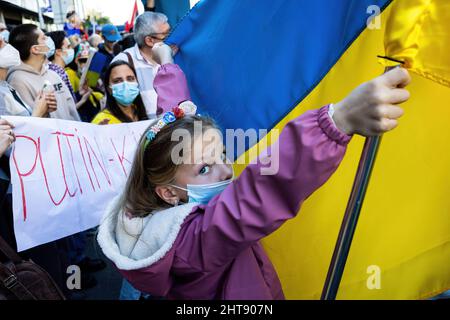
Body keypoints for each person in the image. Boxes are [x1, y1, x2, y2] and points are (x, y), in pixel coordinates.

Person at [97, 67, 411, 299]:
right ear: (167, 192)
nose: (225, 172)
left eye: (222, 154)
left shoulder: (163, 193)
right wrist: (335, 123)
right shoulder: (191, 244)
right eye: (205, 169)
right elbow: (255, 196)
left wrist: (167, 68)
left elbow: (174, 119)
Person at [6, 24, 81, 121]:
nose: (49, 40)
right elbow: (29, 122)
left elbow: (71, 110)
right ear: (36, 49)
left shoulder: (53, 75)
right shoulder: (17, 81)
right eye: (44, 38)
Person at [112, 12, 171, 118]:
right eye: (166, 35)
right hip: (141, 132)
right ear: (149, 40)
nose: (172, 38)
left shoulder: (173, 57)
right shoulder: (123, 62)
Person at [0, 37, 55, 117]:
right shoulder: (13, 81)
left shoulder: (6, 86)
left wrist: (43, 109)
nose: (8, 46)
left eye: (5, 41)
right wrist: (38, 112)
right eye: (0, 43)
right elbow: (17, 129)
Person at [91, 60, 149, 125]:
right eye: (117, 81)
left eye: (130, 79)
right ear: (109, 89)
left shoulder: (139, 111)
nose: (125, 85)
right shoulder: (102, 120)